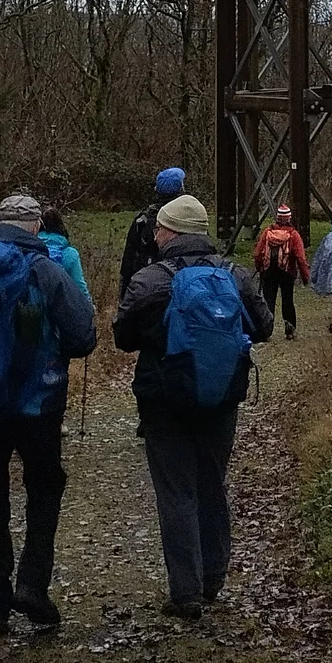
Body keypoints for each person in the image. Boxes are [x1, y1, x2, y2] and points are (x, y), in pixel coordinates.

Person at [0, 190, 95, 637]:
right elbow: (83, 336)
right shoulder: (44, 268)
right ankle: (32, 584)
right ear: (34, 227)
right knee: (45, 486)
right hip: (36, 403)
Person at [114, 193, 272, 619]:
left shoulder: (150, 280)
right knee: (211, 482)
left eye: (160, 229)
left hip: (164, 401)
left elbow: (123, 337)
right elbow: (264, 326)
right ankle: (214, 577)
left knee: (176, 491)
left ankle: (185, 592)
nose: (156, 235)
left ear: (170, 233)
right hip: (220, 397)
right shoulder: (235, 275)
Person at [121, 165, 187, 294]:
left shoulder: (143, 219)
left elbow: (128, 261)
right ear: (181, 190)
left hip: (147, 286)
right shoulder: (189, 219)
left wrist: (125, 296)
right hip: (182, 286)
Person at [251, 202, 309, 338]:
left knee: (268, 300)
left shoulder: (267, 232)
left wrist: (259, 267)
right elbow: (301, 258)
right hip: (287, 272)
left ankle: (266, 330)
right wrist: (305, 276)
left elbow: (258, 253)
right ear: (289, 218)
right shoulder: (294, 235)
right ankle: (290, 330)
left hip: (269, 271)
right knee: (287, 300)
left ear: (277, 218)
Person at [39, 208, 93, 301]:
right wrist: (89, 304)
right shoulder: (71, 253)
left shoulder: (28, 248)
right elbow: (79, 285)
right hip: (59, 306)